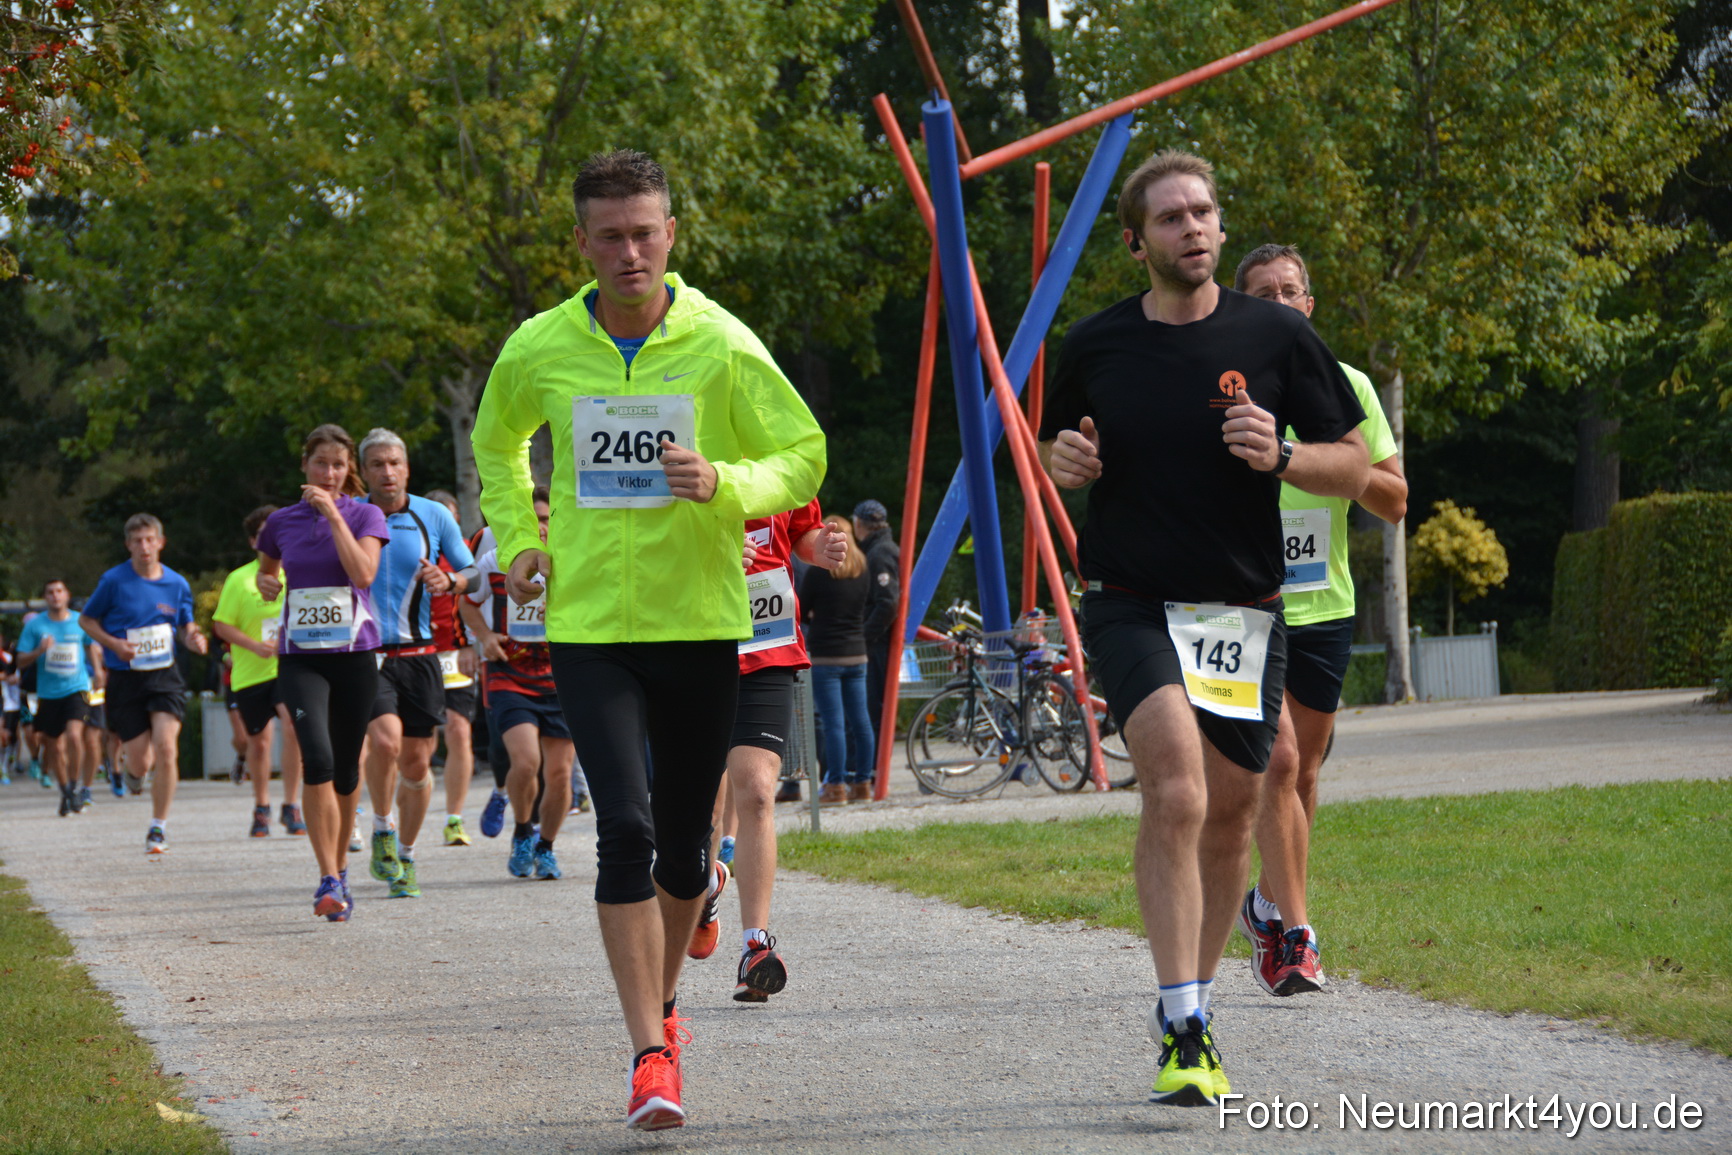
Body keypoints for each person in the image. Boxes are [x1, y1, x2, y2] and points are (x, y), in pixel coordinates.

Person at [471, 148, 825, 1132]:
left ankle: (665, 1008)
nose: (630, 251)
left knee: (682, 853)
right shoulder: (540, 346)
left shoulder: (718, 341)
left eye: (645, 231)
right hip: (589, 626)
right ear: (581, 243)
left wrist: (729, 484)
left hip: (702, 622)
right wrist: (520, 541)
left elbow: (803, 454)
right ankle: (648, 1055)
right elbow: (496, 443)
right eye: (610, 235)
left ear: (672, 234)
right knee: (621, 829)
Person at [1038, 149, 1369, 1107]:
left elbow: (1357, 466)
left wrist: (1288, 452)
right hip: (1133, 598)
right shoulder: (1096, 345)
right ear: (1136, 239)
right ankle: (1181, 1018)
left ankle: (1201, 997)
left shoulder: (1276, 336)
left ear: (1221, 228)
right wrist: (1068, 464)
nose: (1192, 227)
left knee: (1231, 808)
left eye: (1205, 212)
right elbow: (1068, 453)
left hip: (1241, 608)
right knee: (1177, 789)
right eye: (1172, 216)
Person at [1231, 244, 1407, 997]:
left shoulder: (1351, 387)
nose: (1279, 300)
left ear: (1309, 305)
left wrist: (1305, 458)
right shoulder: (1225, 385)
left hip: (1323, 605)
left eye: (1291, 290)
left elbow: (1395, 500)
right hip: (1245, 602)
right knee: (1275, 763)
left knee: (1303, 772)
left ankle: (1268, 904)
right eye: (1263, 292)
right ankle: (1295, 938)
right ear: (1243, 306)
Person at [695, 500, 844, 1003]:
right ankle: (703, 880)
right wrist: (700, 551)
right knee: (692, 796)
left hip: (766, 644)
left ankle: (754, 947)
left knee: (757, 791)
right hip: (690, 639)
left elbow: (799, 530)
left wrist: (817, 548)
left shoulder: (776, 447)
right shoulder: (673, 435)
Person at [257, 424, 389, 920]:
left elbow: (363, 575)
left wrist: (334, 515)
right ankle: (327, 877)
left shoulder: (366, 514)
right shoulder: (280, 522)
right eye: (320, 464)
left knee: (348, 768)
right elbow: (266, 569)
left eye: (338, 465)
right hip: (300, 656)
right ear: (305, 466)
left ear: (348, 469)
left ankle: (342, 871)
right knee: (318, 758)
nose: (329, 473)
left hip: (354, 655)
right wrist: (266, 583)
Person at [356, 428, 475, 898]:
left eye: (394, 463)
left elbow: (471, 573)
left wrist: (449, 581)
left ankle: (405, 856)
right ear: (363, 472)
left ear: (407, 468)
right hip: (368, 654)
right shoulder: (351, 515)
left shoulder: (432, 515)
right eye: (377, 465)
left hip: (422, 655)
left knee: (418, 761)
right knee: (384, 743)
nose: (387, 472)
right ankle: (382, 827)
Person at [458, 487, 577, 881]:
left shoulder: (574, 559)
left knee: (560, 774)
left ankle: (546, 847)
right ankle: (523, 831)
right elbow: (466, 600)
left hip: (561, 676)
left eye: (548, 518)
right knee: (526, 762)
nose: (542, 527)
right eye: (536, 519)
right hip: (509, 672)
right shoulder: (495, 561)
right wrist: (485, 638)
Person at [80, 516, 209, 853]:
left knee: (167, 747)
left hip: (164, 676)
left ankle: (158, 827)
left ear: (161, 542)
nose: (144, 547)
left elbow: (185, 624)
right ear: (128, 545)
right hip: (125, 678)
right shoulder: (113, 581)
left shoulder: (177, 583)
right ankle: (133, 773)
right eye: (137, 541)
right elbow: (86, 620)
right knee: (141, 760)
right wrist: (113, 644)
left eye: (150, 539)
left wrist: (193, 637)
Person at [213, 505, 307, 838]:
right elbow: (221, 625)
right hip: (251, 672)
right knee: (261, 743)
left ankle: (291, 805)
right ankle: (262, 806)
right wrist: (253, 646)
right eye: (266, 534)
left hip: (288, 666)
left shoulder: (297, 569)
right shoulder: (239, 579)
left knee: (296, 729)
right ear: (255, 540)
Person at [801, 516, 875, 804]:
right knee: (861, 721)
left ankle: (835, 785)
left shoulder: (820, 572)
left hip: (826, 655)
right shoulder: (863, 568)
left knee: (833, 723)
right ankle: (863, 784)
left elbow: (802, 607)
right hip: (857, 653)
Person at [17, 580, 103, 816]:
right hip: (48, 693)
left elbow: (90, 646)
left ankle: (74, 786)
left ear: (67, 595)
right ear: (45, 597)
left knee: (75, 736)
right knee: (54, 746)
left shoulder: (79, 621)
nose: (55, 596)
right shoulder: (35, 626)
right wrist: (39, 651)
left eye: (59, 591)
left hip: (77, 688)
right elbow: (20, 660)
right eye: (50, 592)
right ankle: (66, 792)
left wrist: (98, 671)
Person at [426, 489, 480, 847]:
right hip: (416, 653)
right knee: (417, 740)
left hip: (454, 653)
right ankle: (408, 798)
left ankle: (454, 818)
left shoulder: (465, 551)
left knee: (459, 730)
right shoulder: (408, 541)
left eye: (450, 517)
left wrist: (474, 644)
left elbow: (480, 596)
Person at [854, 499, 898, 755]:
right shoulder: (880, 549)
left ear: (859, 524)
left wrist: (865, 637)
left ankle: (875, 767)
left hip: (878, 642)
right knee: (873, 706)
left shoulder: (879, 552)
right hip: (878, 640)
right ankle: (873, 767)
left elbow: (887, 603)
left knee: (875, 706)